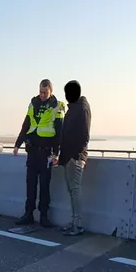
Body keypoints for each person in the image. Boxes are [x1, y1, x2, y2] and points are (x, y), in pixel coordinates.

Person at [13, 79, 65, 227]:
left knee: (44, 186)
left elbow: (59, 132)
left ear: (51, 91)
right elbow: (26, 124)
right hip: (32, 151)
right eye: (40, 92)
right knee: (30, 184)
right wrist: (17, 144)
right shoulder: (33, 103)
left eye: (45, 92)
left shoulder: (57, 106)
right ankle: (28, 214)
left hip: (46, 153)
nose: (42, 95)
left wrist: (56, 153)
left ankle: (44, 216)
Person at [58, 80, 91, 236]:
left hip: (75, 157)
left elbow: (84, 136)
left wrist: (76, 156)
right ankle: (74, 221)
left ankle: (77, 224)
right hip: (68, 157)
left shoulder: (82, 109)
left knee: (75, 190)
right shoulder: (73, 109)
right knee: (72, 191)